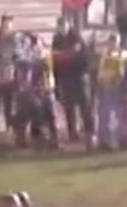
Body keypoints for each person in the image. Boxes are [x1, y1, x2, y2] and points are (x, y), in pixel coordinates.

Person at [52, 17, 94, 146]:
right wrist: (56, 79)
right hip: (65, 77)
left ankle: (89, 132)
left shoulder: (76, 38)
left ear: (68, 25)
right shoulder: (57, 40)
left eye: (64, 25)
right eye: (60, 26)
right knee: (69, 107)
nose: (62, 28)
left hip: (79, 76)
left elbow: (85, 56)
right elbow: (55, 60)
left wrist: (85, 72)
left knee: (85, 105)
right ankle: (72, 132)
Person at [95, 33, 127, 150]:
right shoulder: (104, 55)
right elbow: (101, 72)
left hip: (119, 88)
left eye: (114, 41)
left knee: (121, 114)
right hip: (105, 87)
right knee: (104, 114)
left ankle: (123, 139)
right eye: (111, 41)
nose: (112, 44)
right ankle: (104, 141)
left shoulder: (125, 55)